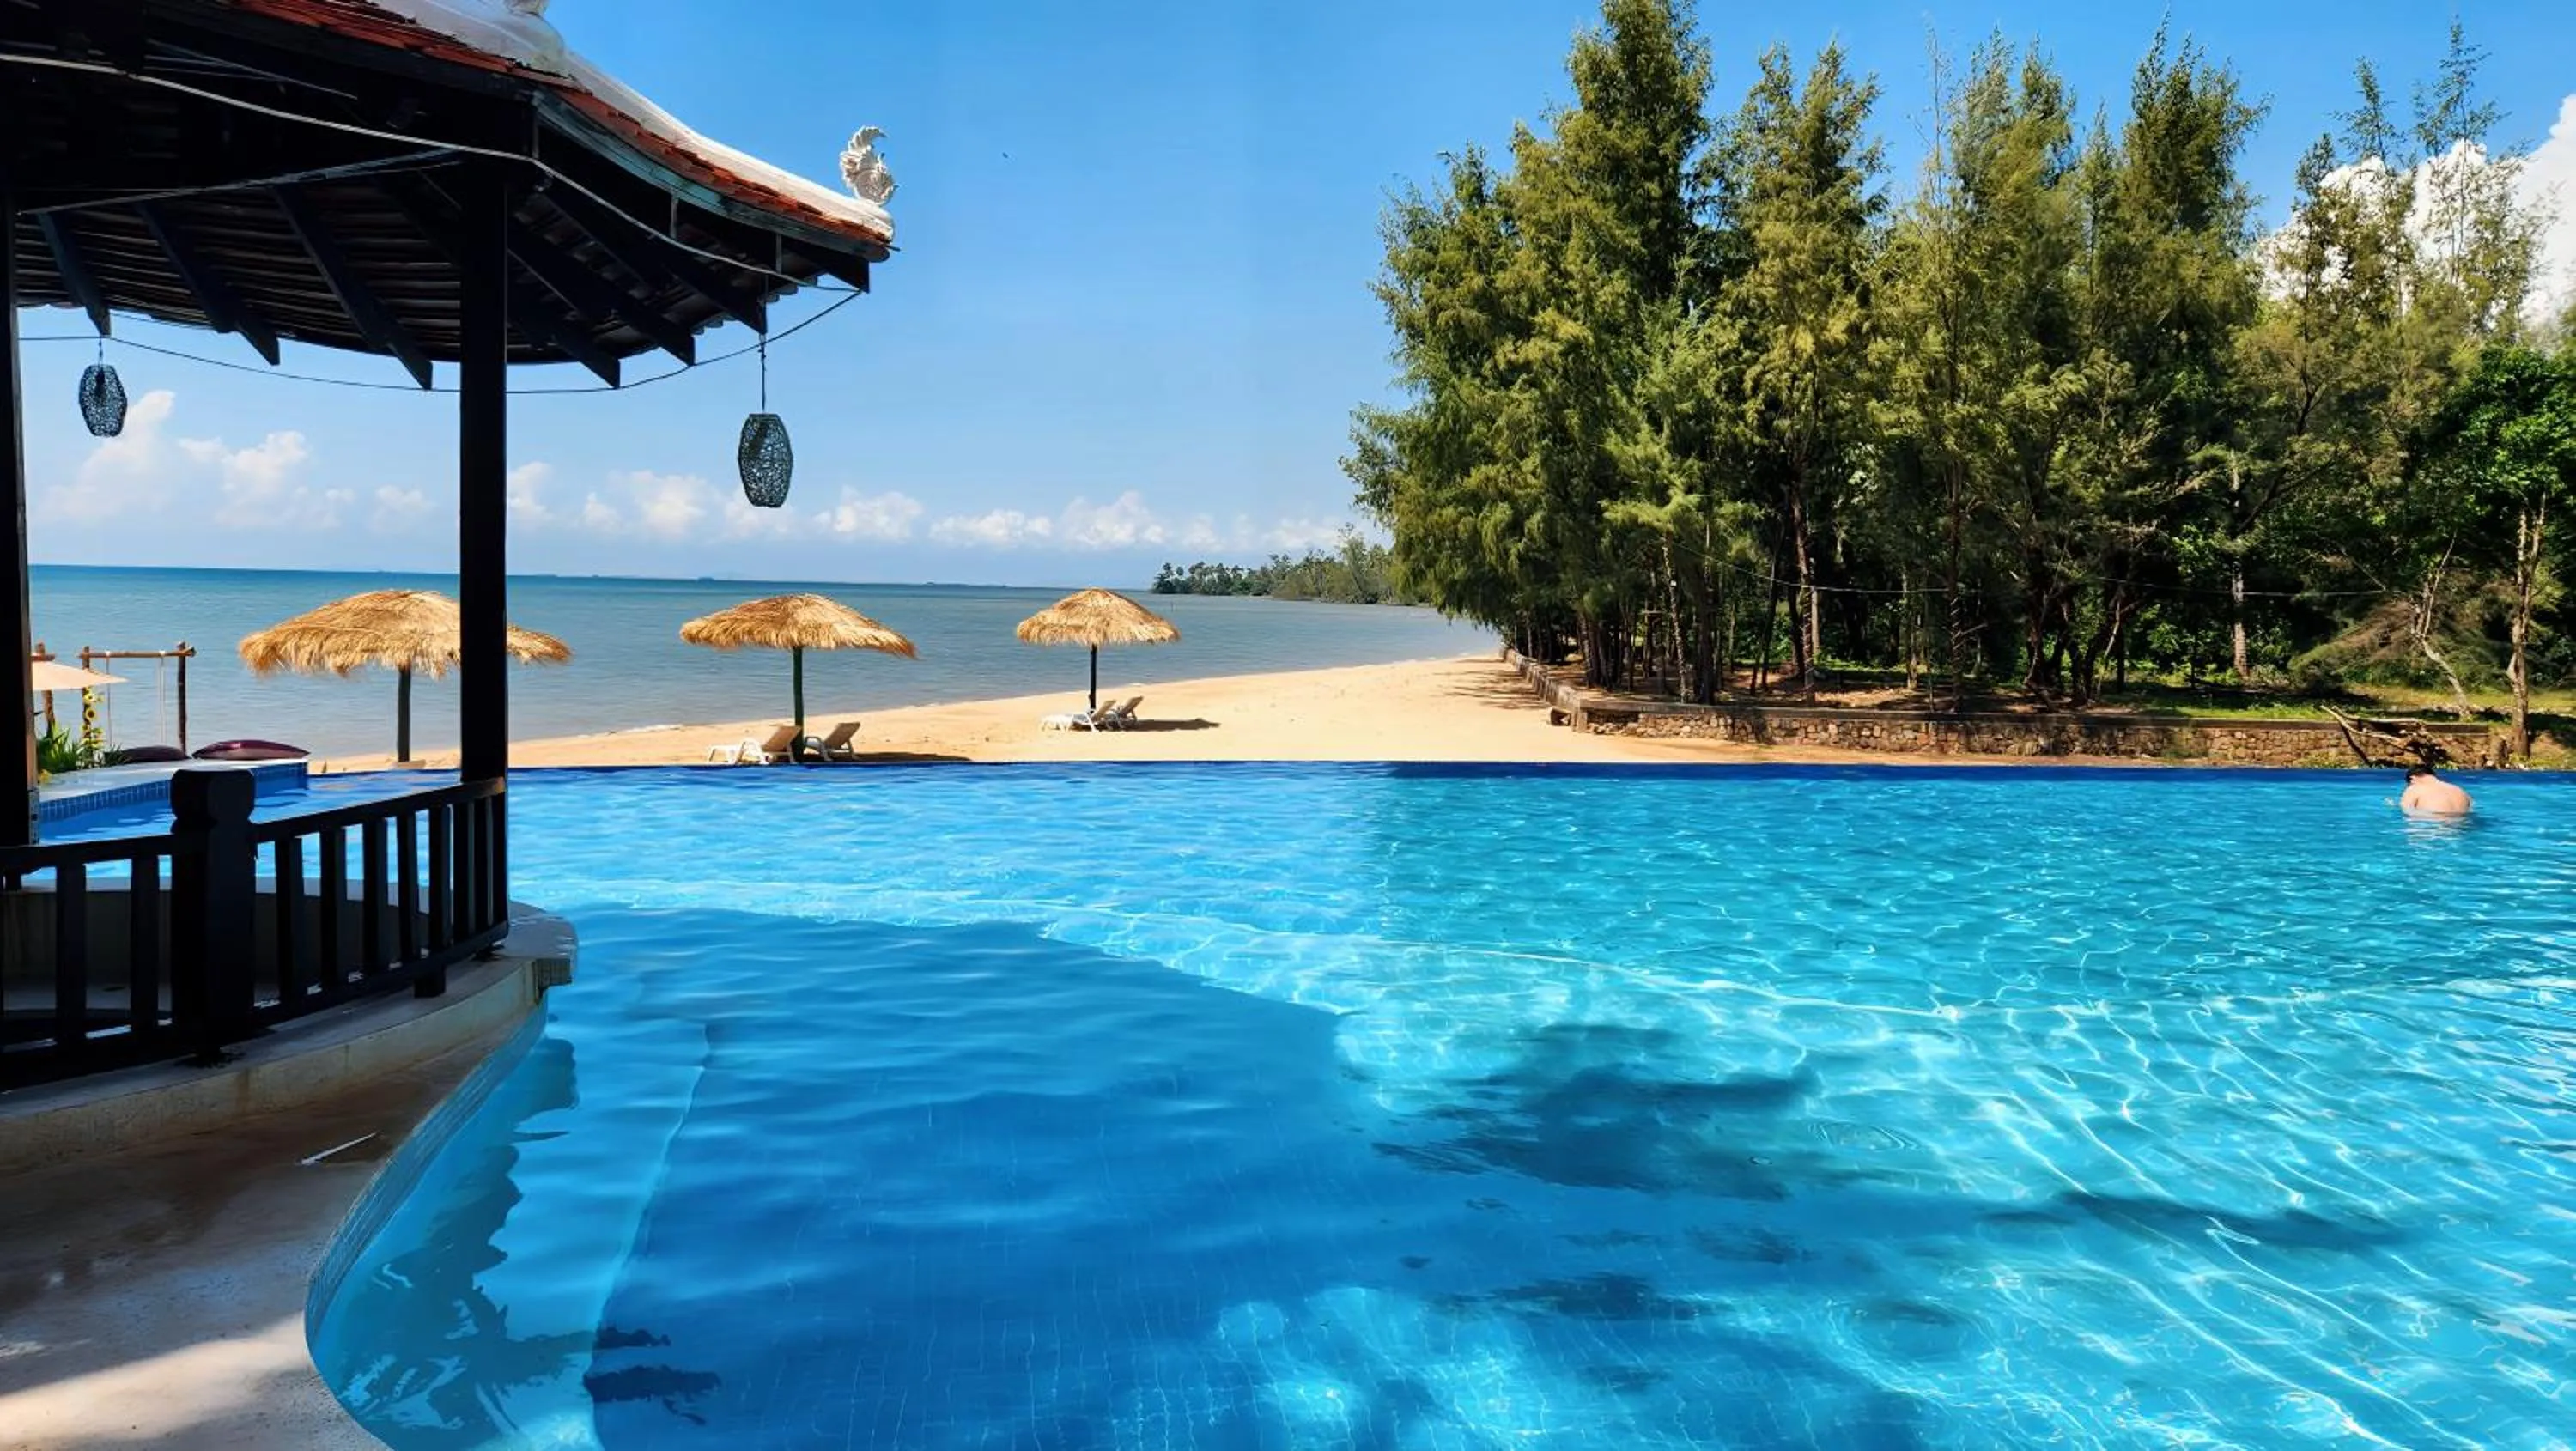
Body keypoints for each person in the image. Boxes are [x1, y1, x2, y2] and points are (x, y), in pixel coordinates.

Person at [2399, 764, 2472, 817]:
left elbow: (2406, 811)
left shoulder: (2414, 788)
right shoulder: (2460, 791)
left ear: (2412, 779)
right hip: (2461, 830)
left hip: (2432, 828)